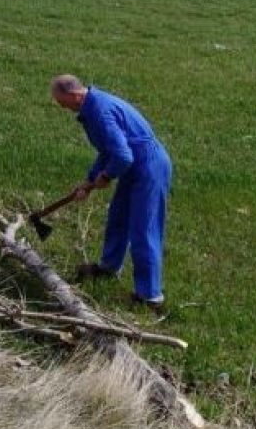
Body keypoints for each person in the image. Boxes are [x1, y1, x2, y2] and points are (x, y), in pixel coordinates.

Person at [50, 74, 173, 313]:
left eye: (61, 101)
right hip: (133, 164)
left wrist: (105, 177)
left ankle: (150, 297)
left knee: (143, 229)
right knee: (118, 218)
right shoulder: (91, 106)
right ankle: (108, 267)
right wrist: (89, 180)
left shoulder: (99, 112)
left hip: (149, 166)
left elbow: (123, 156)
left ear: (74, 95)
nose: (60, 106)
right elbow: (110, 150)